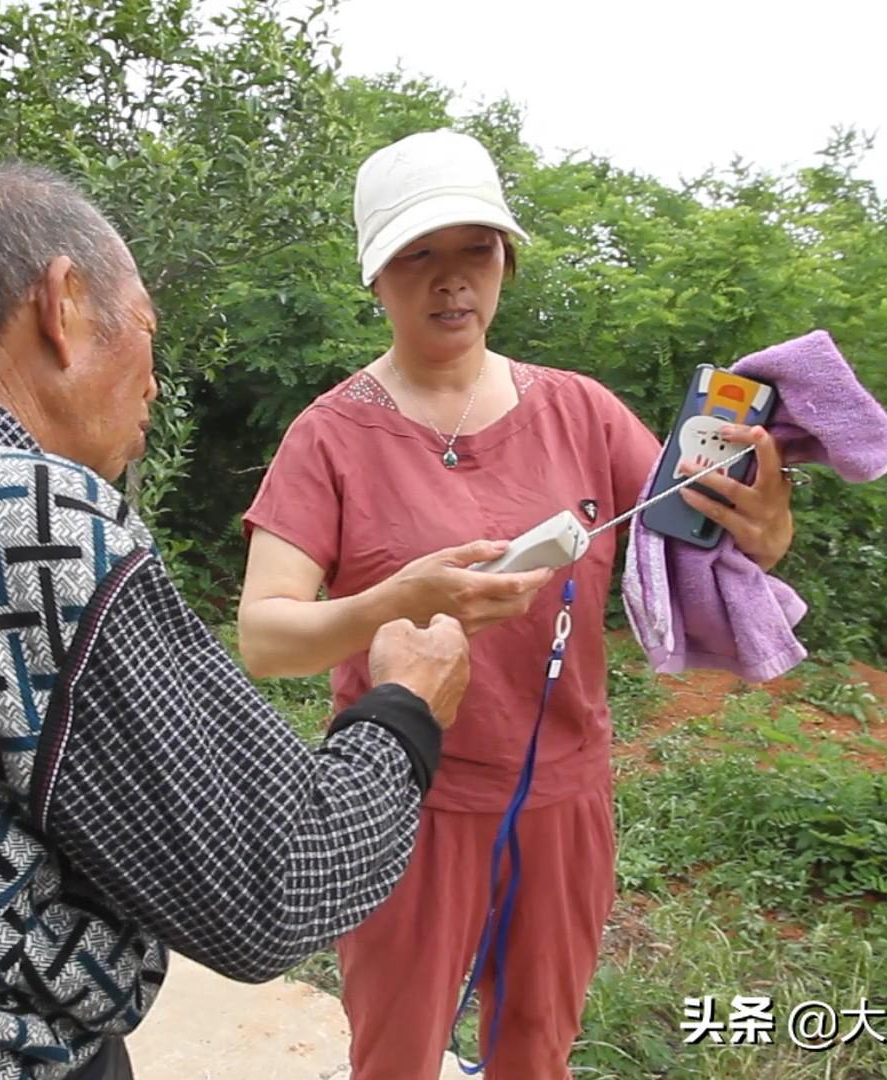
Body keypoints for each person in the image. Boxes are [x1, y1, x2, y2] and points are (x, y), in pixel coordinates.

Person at [0, 162, 472, 1080]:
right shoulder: (44, 530)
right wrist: (406, 706)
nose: (153, 384)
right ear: (62, 306)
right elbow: (279, 882)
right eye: (147, 332)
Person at [237, 130, 797, 1079]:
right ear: (375, 274)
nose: (452, 280)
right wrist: (393, 602)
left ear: (506, 263)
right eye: (418, 254)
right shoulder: (330, 436)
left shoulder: (580, 411)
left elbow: (704, 545)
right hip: (399, 801)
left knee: (536, 1053)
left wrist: (767, 529)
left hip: (564, 799)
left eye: (477, 250)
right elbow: (264, 636)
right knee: (397, 1056)